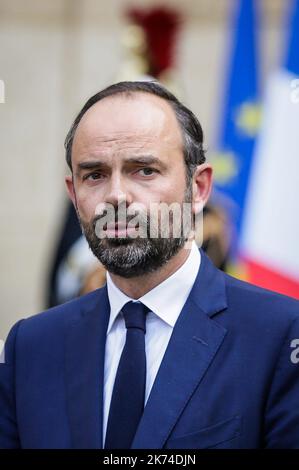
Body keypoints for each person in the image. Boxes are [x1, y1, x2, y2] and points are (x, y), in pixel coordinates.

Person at [0, 81, 299, 449]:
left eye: (144, 170)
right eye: (94, 174)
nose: (116, 196)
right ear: (74, 194)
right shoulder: (29, 347)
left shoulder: (280, 335)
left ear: (199, 188)